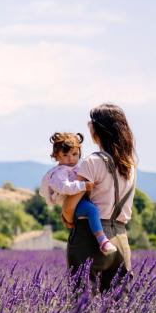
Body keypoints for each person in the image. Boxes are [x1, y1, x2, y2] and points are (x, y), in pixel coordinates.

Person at [62, 103, 137, 292]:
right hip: (120, 239)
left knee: (82, 308)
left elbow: (70, 206)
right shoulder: (129, 165)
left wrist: (68, 220)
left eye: (91, 123)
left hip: (89, 238)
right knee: (119, 311)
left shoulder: (92, 162)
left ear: (98, 130)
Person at [39, 132, 117, 255]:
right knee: (92, 210)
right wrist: (83, 185)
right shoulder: (59, 172)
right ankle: (102, 240)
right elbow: (65, 187)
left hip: (81, 200)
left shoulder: (81, 164)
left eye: (74, 154)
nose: (71, 159)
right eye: (65, 155)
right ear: (56, 156)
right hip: (72, 202)